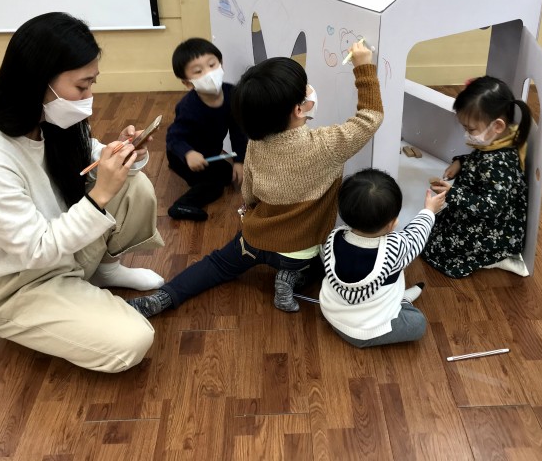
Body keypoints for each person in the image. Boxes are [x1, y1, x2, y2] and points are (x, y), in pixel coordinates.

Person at [0, 12, 166, 373]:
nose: (89, 96)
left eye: (92, 82)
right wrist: (100, 194)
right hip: (14, 283)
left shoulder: (48, 120)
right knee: (132, 342)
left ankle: (103, 273)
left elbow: (92, 158)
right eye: (82, 86)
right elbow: (35, 249)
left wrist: (123, 153)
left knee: (134, 185)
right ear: (39, 80)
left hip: (62, 251)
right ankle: (71, 301)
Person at [127, 41, 383, 317]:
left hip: (253, 240)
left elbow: (248, 194)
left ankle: (163, 298)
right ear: (299, 109)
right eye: (306, 88)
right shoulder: (328, 144)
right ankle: (291, 278)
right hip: (298, 252)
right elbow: (371, 117)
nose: (311, 90)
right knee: (327, 261)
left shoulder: (255, 144)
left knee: (215, 265)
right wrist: (364, 67)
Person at [319, 169, 445, 348]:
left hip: (331, 313)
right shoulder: (395, 247)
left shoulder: (335, 236)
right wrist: (429, 211)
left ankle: (398, 301)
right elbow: (417, 235)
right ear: (391, 224)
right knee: (418, 324)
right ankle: (401, 302)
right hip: (363, 333)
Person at [422, 76, 532, 278]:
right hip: (474, 213)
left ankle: (499, 256)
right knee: (431, 233)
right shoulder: (496, 142)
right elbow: (480, 161)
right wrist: (461, 162)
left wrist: (453, 193)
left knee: (440, 252)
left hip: (495, 227)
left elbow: (492, 207)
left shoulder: (501, 162)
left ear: (497, 126)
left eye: (470, 129)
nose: (467, 134)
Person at [165, 38, 248, 222]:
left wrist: (239, 161)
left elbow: (237, 130)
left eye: (212, 65)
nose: (209, 73)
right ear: (187, 83)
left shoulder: (232, 93)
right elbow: (174, 137)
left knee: (229, 174)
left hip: (210, 154)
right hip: (184, 157)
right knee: (214, 185)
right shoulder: (188, 107)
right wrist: (188, 154)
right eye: (198, 71)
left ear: (221, 64)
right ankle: (182, 205)